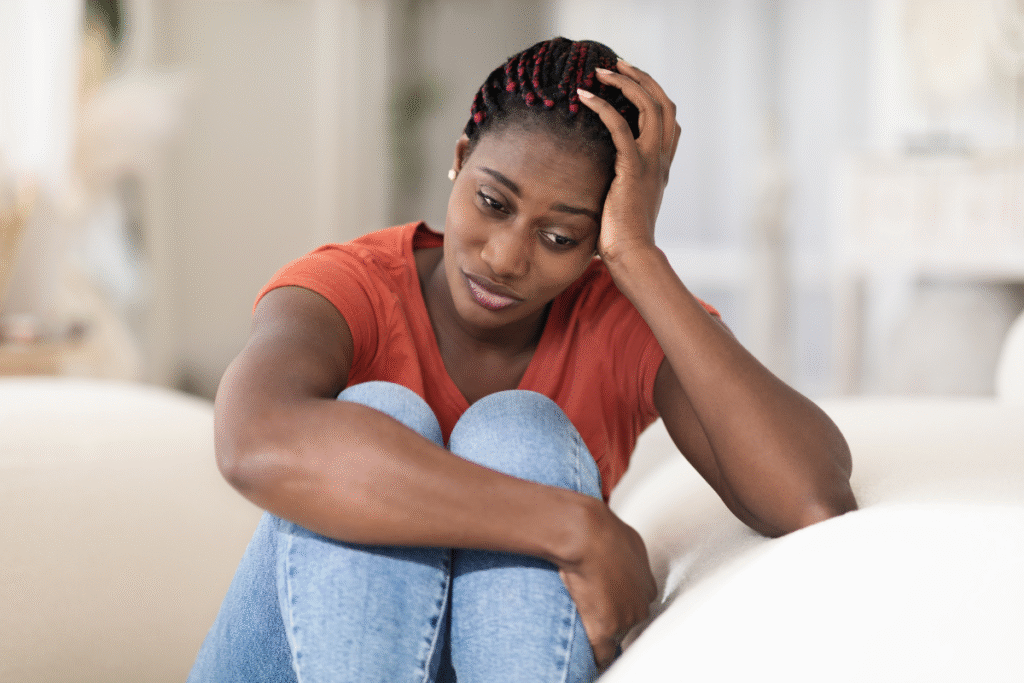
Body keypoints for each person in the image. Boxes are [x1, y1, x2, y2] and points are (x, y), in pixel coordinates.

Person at [188, 37, 857, 683]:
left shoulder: (614, 318)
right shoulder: (348, 287)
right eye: (492, 203)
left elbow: (809, 497)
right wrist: (574, 526)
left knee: (518, 430)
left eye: (562, 235)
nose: (506, 257)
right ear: (458, 159)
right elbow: (253, 441)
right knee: (378, 412)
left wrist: (639, 257)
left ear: (600, 237)